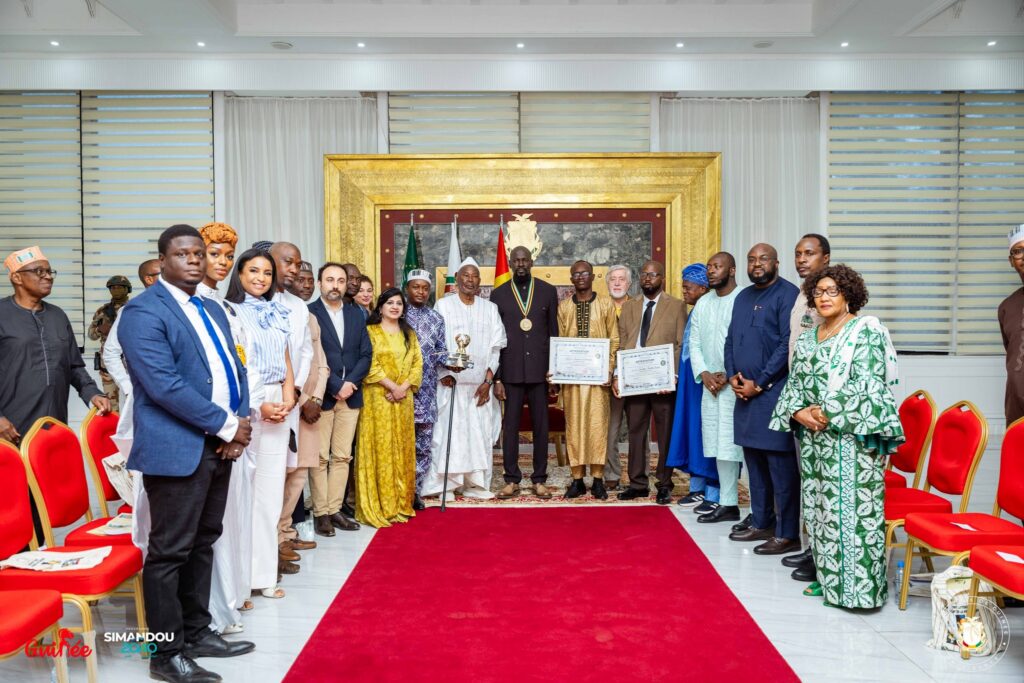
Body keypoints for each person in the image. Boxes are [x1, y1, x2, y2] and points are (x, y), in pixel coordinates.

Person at [118, 225, 254, 682]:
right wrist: (228, 424)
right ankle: (164, 654)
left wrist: (238, 423)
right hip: (177, 448)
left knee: (204, 540)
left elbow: (235, 369)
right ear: (163, 260)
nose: (195, 260)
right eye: (183, 254)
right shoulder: (143, 312)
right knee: (168, 552)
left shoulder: (211, 310)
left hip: (218, 446)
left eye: (199, 253)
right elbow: (163, 386)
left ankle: (197, 632)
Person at [771, 264, 903, 607]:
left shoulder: (865, 330)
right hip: (816, 441)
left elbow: (869, 384)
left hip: (851, 439)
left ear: (848, 294)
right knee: (821, 512)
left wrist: (825, 412)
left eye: (832, 291)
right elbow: (796, 380)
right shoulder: (813, 334)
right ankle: (830, 581)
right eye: (818, 292)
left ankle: (860, 591)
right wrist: (798, 411)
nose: (824, 298)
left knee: (854, 514)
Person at [197, 222, 264, 633]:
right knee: (203, 532)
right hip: (205, 433)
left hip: (235, 429)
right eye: (213, 254)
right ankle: (204, 616)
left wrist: (242, 421)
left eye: (226, 255)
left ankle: (228, 601)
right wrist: (224, 427)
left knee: (226, 521)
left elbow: (244, 368)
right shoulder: (183, 305)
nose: (220, 262)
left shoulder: (225, 307)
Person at [225, 249, 296, 601]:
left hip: (279, 402)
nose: (261, 278)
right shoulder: (230, 312)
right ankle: (240, 580)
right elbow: (237, 366)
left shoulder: (276, 310)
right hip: (248, 402)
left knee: (270, 491)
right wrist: (260, 406)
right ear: (238, 274)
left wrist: (288, 398)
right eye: (253, 271)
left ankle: (265, 574)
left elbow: (285, 359)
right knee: (243, 493)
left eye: (267, 273)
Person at [725, 243, 801, 556]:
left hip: (773, 394)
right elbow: (731, 339)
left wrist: (762, 382)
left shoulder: (789, 295)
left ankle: (787, 533)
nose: (757, 264)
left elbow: (787, 345)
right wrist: (732, 375)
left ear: (776, 262)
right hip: (744, 394)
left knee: (780, 467)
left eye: (763, 259)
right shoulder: (742, 296)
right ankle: (762, 521)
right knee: (753, 463)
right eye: (751, 259)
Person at [0, 246, 110, 446]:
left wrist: (92, 393)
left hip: (54, 425)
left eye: (50, 272)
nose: (48, 277)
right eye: (39, 271)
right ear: (16, 278)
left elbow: (74, 366)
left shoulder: (58, 316)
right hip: (10, 429)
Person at [421, 258, 506, 501]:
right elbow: (434, 344)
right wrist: (444, 373)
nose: (470, 280)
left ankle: (475, 484)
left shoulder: (489, 309)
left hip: (479, 387)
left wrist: (488, 381)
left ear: (480, 281)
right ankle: (446, 484)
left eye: (475, 276)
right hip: (450, 384)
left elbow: (496, 348)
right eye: (466, 275)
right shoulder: (443, 305)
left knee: (478, 435)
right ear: (457, 278)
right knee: (449, 434)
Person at [614, 260, 686, 504]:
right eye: (644, 274)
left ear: (662, 279)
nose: (648, 279)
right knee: (635, 432)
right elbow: (623, 343)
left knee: (664, 434)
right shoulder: (629, 306)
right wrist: (618, 374)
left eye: (653, 275)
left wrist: (673, 376)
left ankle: (664, 483)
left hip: (662, 381)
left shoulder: (676, 306)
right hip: (634, 381)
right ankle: (637, 484)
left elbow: (679, 344)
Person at [491, 245, 560, 499]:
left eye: (525, 260)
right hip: (510, 372)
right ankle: (511, 479)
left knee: (541, 427)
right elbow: (495, 339)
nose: (521, 264)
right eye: (516, 260)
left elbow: (554, 332)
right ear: (510, 263)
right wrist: (497, 377)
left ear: (532, 262)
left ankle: (539, 479)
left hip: (540, 372)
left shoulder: (547, 291)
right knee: (510, 427)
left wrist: (554, 371)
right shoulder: (498, 294)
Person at [782, 234, 832, 577]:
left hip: (822, 404)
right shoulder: (803, 295)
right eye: (798, 254)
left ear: (825, 258)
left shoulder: (831, 295)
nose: (802, 259)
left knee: (824, 481)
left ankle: (826, 556)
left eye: (809, 254)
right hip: (799, 398)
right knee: (808, 479)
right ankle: (812, 547)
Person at [308, 263, 370, 536]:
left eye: (340, 280)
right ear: (320, 283)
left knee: (343, 456)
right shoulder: (310, 312)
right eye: (330, 279)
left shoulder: (357, 314)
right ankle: (321, 513)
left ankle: (335, 510)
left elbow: (366, 354)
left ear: (346, 285)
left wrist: (350, 384)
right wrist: (334, 385)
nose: (335, 285)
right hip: (322, 395)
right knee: (320, 458)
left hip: (351, 396)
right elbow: (309, 355)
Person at [356, 288, 423, 527]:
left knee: (402, 447)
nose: (395, 307)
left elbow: (417, 364)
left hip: (403, 400)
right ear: (380, 307)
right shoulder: (370, 332)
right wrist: (391, 386)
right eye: (390, 303)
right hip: (377, 398)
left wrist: (402, 387)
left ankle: (400, 503)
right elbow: (368, 362)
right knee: (381, 448)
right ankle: (381, 504)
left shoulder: (409, 334)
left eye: (399, 303)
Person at [556, 259, 619, 500]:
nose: (580, 277)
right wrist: (558, 370)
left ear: (593, 277)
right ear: (571, 279)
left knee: (597, 428)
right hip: (572, 381)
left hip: (597, 381)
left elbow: (613, 339)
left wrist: (609, 369)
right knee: (575, 428)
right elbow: (560, 342)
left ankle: (598, 479)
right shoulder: (564, 307)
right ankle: (577, 479)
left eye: (585, 273)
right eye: (576, 274)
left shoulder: (605, 304)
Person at [689, 252, 745, 524]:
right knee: (717, 443)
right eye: (709, 266)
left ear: (732, 270)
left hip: (735, 384)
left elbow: (745, 340)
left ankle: (754, 507)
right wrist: (704, 373)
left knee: (735, 444)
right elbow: (695, 342)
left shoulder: (744, 299)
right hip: (710, 384)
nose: (711, 271)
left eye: (717, 266)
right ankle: (728, 502)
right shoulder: (703, 303)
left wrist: (727, 374)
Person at [279, 261, 327, 569]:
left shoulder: (308, 316)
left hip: (310, 407)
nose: (304, 283)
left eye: (309, 279)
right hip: (286, 402)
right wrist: (303, 397)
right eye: (300, 278)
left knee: (298, 473)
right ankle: (274, 539)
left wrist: (317, 398)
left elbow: (321, 363)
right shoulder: (274, 311)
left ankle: (286, 531)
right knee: (279, 474)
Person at [667, 264, 719, 513]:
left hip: (706, 381)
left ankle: (714, 490)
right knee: (693, 432)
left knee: (707, 433)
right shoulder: (698, 309)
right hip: (691, 380)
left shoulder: (711, 308)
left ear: (702, 288)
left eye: (688, 288)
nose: (684, 292)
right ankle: (697, 488)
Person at [403, 269, 448, 508]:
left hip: (428, 391)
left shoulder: (436, 318)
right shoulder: (396, 315)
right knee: (401, 443)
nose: (420, 292)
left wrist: (454, 365)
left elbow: (442, 352)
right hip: (401, 392)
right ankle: (399, 490)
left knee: (423, 445)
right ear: (407, 288)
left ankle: (415, 492)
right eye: (415, 287)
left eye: (424, 288)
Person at [104, 260, 162, 399]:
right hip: (147, 394)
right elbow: (110, 352)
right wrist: (128, 387)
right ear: (149, 279)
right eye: (165, 273)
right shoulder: (132, 310)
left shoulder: (187, 306)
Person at [603, 264, 634, 490]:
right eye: (612, 279)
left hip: (635, 379)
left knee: (638, 429)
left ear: (629, 284)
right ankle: (611, 473)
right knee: (609, 430)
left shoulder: (639, 307)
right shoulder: (601, 308)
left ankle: (637, 473)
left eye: (621, 279)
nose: (616, 283)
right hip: (608, 381)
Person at [88, 275, 132, 412]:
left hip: (130, 365)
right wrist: (101, 329)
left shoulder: (135, 308)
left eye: (120, 287)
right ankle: (113, 432)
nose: (116, 290)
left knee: (132, 402)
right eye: (113, 287)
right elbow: (91, 335)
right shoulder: (102, 311)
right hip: (107, 366)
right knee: (110, 406)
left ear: (127, 289)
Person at [1000, 224, 1024, 426]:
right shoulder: (1007, 308)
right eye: (1018, 251)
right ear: (1011, 261)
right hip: (1016, 409)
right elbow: (1012, 351)